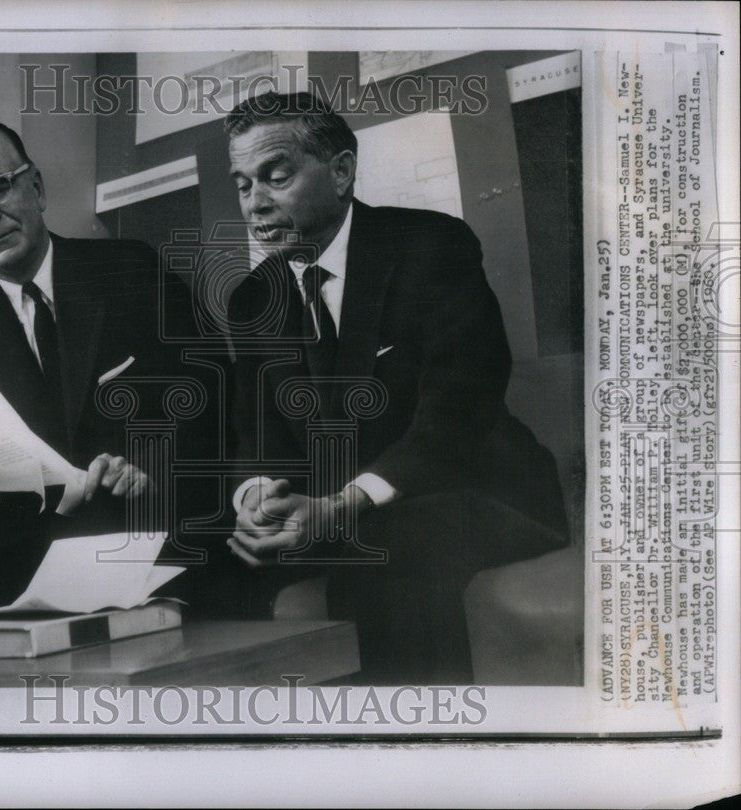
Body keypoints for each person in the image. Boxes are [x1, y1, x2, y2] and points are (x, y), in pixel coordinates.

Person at [223, 92, 569, 683]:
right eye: (242, 184)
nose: (255, 204)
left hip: (479, 492)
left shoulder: (431, 247)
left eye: (274, 177)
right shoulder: (254, 296)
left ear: (340, 172)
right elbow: (259, 427)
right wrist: (256, 497)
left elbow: (459, 410)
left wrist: (340, 507)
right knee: (205, 552)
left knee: (382, 546)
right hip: (339, 511)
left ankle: (420, 748)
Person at [0, 119, 215, 623]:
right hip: (27, 544)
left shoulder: (132, 272)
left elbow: (211, 408)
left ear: (36, 187)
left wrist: (148, 471)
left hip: (134, 521)